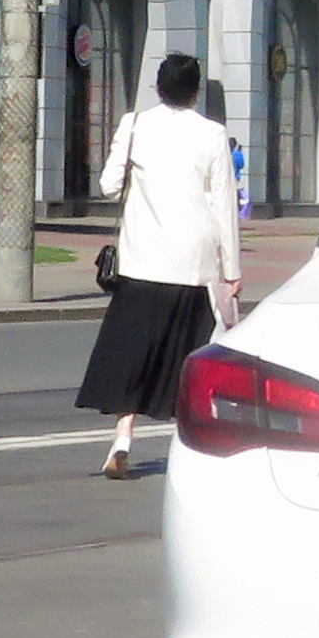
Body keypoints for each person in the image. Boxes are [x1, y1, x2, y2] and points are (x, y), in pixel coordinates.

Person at [79, 53, 244, 480]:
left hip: (142, 261)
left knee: (134, 354)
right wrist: (232, 267)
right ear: (195, 92)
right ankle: (190, 449)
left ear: (158, 87)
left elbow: (108, 184)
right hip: (194, 264)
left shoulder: (135, 125)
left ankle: (122, 438)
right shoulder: (213, 134)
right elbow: (224, 204)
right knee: (188, 360)